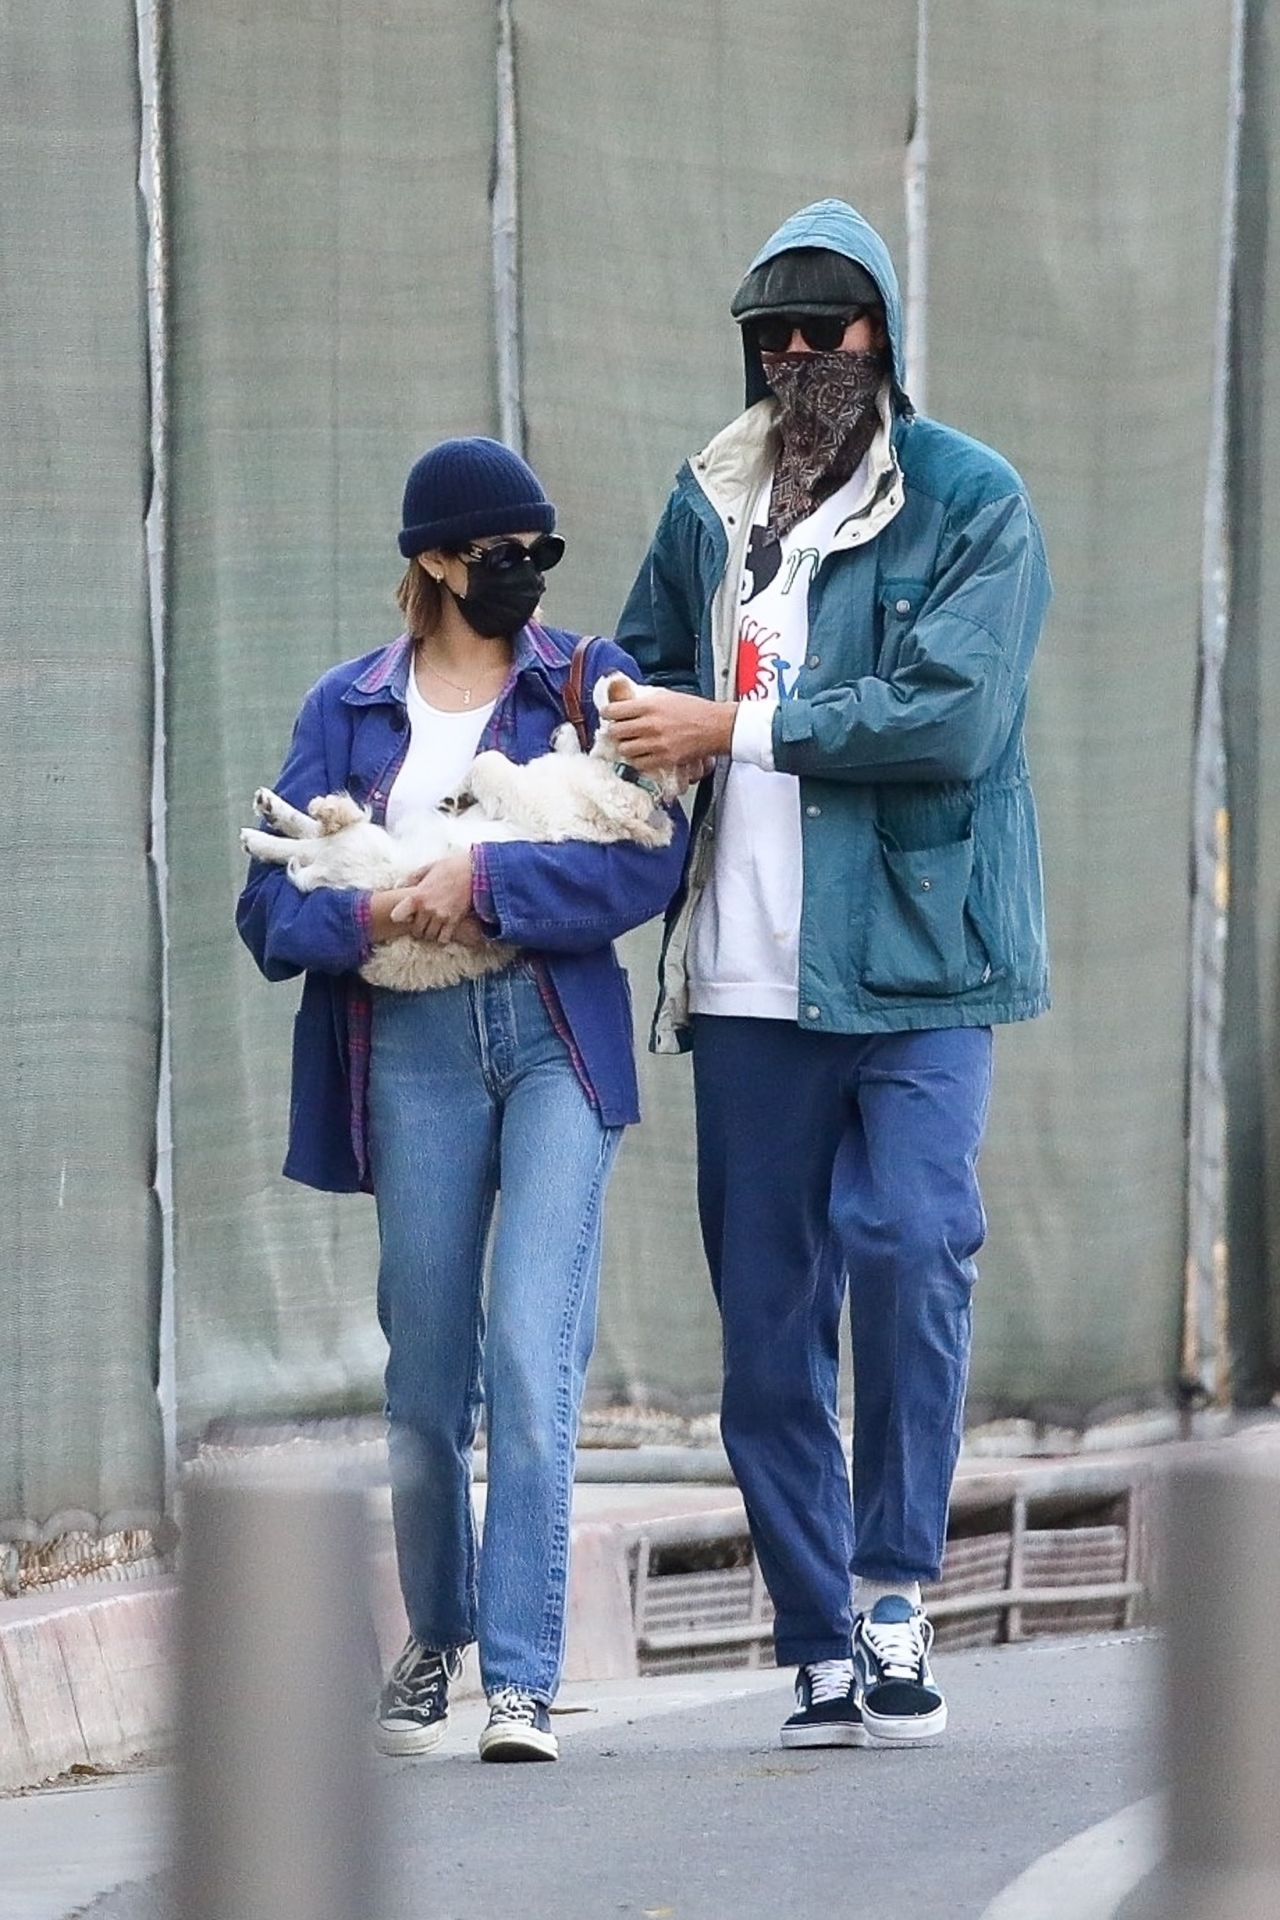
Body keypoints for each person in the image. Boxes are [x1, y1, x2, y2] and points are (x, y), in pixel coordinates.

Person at [609, 199, 1050, 1749]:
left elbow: (955, 719)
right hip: (743, 982)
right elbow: (632, 689)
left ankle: (892, 1593)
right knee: (768, 1323)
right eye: (774, 335)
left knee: (913, 1237)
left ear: (881, 338)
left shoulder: (971, 503)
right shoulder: (706, 506)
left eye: (829, 329)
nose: (800, 360)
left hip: (924, 966)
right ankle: (812, 1634)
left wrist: (737, 729)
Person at [238, 437, 686, 1763]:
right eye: (505, 554)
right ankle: (436, 1635)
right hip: (411, 1045)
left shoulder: (584, 680)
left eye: (544, 554)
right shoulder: (349, 704)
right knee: (428, 1377)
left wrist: (486, 889)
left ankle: (526, 1680)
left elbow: (646, 857)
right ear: (433, 559)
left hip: (554, 1038)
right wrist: (376, 904)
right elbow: (268, 907)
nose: (530, 578)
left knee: (527, 1353)